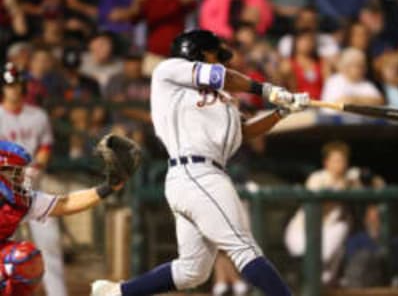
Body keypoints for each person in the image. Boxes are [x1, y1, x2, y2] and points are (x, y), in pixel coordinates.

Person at [91, 29, 310, 296]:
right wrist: (267, 90)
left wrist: (281, 112)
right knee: (244, 248)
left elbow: (246, 131)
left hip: (200, 176)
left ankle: (117, 293)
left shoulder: (224, 99)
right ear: (197, 51)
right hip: (196, 173)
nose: (221, 61)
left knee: (192, 270)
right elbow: (224, 76)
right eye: (216, 55)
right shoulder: (169, 70)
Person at [0, 65, 137, 296]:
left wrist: (108, 187)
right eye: (14, 172)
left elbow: (65, 203)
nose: (19, 176)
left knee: (24, 260)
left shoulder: (18, 198)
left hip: (38, 184)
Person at [0, 62, 68, 296]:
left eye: (18, 85)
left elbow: (45, 145)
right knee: (6, 255)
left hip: (33, 187)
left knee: (50, 245)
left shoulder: (37, 115)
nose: (14, 90)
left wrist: (36, 165)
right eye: (10, 85)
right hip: (4, 196)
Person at [284, 141, 357, 285]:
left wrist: (358, 183)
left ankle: (325, 278)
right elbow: (318, 203)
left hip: (328, 237)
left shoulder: (350, 180)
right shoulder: (318, 177)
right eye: (336, 160)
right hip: (302, 232)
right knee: (310, 264)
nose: (340, 164)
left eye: (343, 160)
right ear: (326, 162)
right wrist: (340, 189)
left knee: (342, 225)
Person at [280, 30, 325, 100]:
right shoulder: (288, 64)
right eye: (303, 40)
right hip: (299, 104)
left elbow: (328, 86)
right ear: (295, 42)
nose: (307, 43)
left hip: (321, 103)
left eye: (310, 40)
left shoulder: (322, 62)